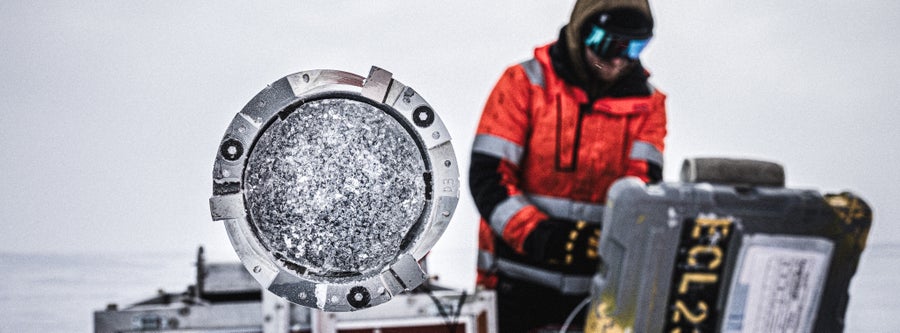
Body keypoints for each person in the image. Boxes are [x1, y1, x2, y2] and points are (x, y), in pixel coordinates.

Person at [468, 0, 666, 331]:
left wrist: (610, 241)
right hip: (514, 284)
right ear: (581, 33)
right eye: (607, 45)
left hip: (594, 294)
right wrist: (542, 236)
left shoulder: (649, 107)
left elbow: (641, 193)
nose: (618, 60)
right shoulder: (524, 83)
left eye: (633, 47)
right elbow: (489, 177)